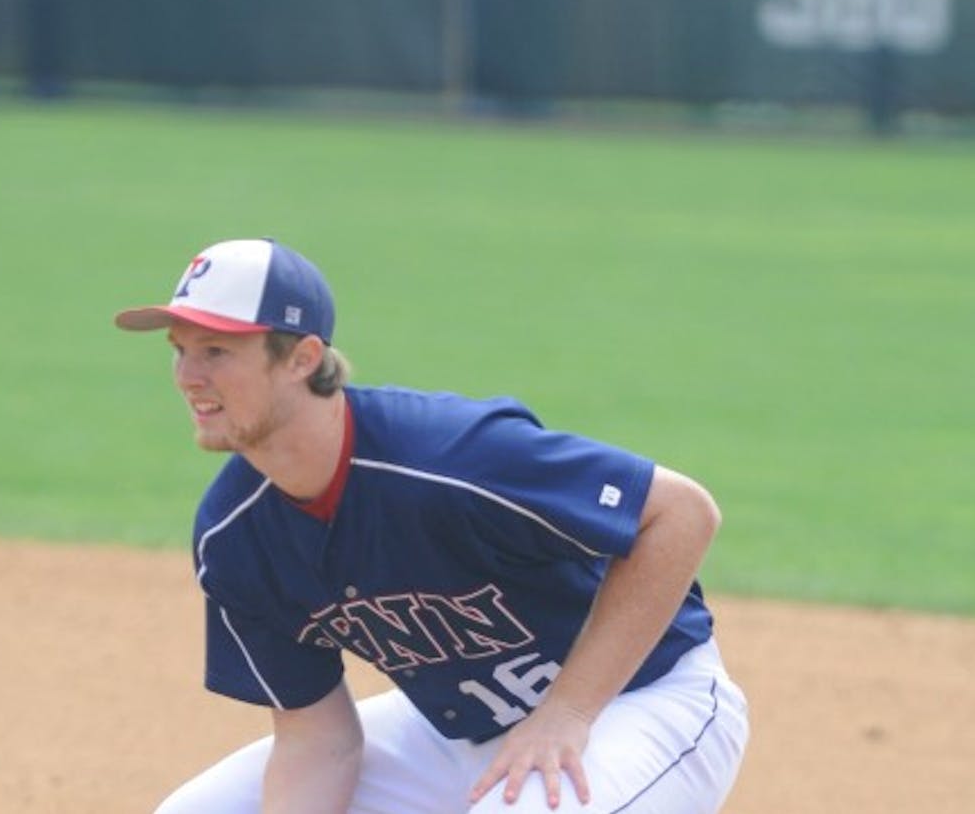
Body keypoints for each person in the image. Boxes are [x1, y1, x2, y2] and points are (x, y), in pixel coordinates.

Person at [115, 238, 749, 813]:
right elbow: (318, 741)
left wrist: (569, 712)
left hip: (643, 702)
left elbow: (683, 512)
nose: (186, 377)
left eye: (216, 351)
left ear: (302, 357)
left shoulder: (450, 457)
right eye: (180, 351)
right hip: (463, 731)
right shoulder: (234, 535)